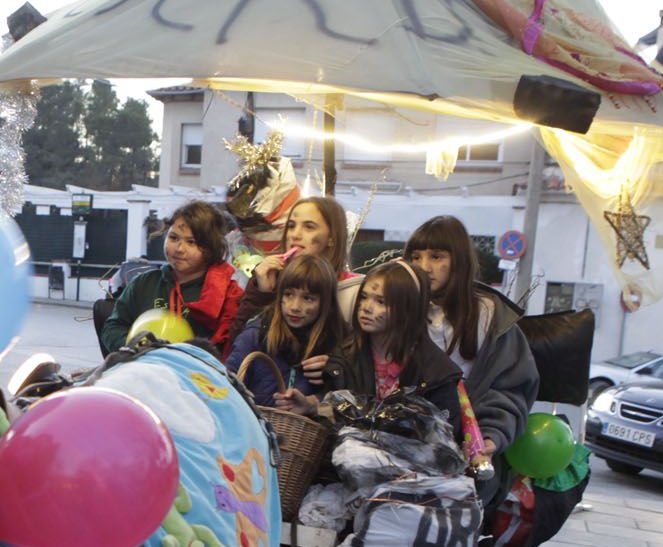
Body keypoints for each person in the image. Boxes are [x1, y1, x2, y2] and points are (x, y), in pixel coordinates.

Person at [404, 215, 538, 504]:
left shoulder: (490, 318)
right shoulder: (398, 310)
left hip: (468, 452)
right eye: (416, 257)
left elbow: (510, 387)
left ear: (459, 260)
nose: (424, 267)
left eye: (437, 256)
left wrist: (493, 434)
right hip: (404, 447)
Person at [278, 259, 463, 436]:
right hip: (349, 463)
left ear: (407, 309)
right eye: (364, 297)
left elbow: (445, 435)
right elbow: (334, 413)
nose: (366, 308)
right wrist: (311, 405)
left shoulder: (436, 371)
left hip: (416, 466)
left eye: (380, 301)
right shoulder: (344, 357)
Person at [98, 200, 242, 354]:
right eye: (173, 238)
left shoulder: (225, 294)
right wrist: (136, 347)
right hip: (143, 368)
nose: (179, 249)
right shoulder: (144, 283)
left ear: (211, 247)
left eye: (191, 242)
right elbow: (112, 328)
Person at [227, 195, 357, 338]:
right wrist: (262, 293)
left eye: (309, 227)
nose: (295, 235)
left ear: (332, 237)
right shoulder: (270, 276)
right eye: (291, 226)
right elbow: (237, 342)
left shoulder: (352, 289)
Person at [224, 252, 342, 407]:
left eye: (308, 298)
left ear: (326, 303)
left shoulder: (337, 344)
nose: (295, 307)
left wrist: (317, 399)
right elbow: (225, 385)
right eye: (288, 295)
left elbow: (345, 401)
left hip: (302, 429)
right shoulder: (256, 334)